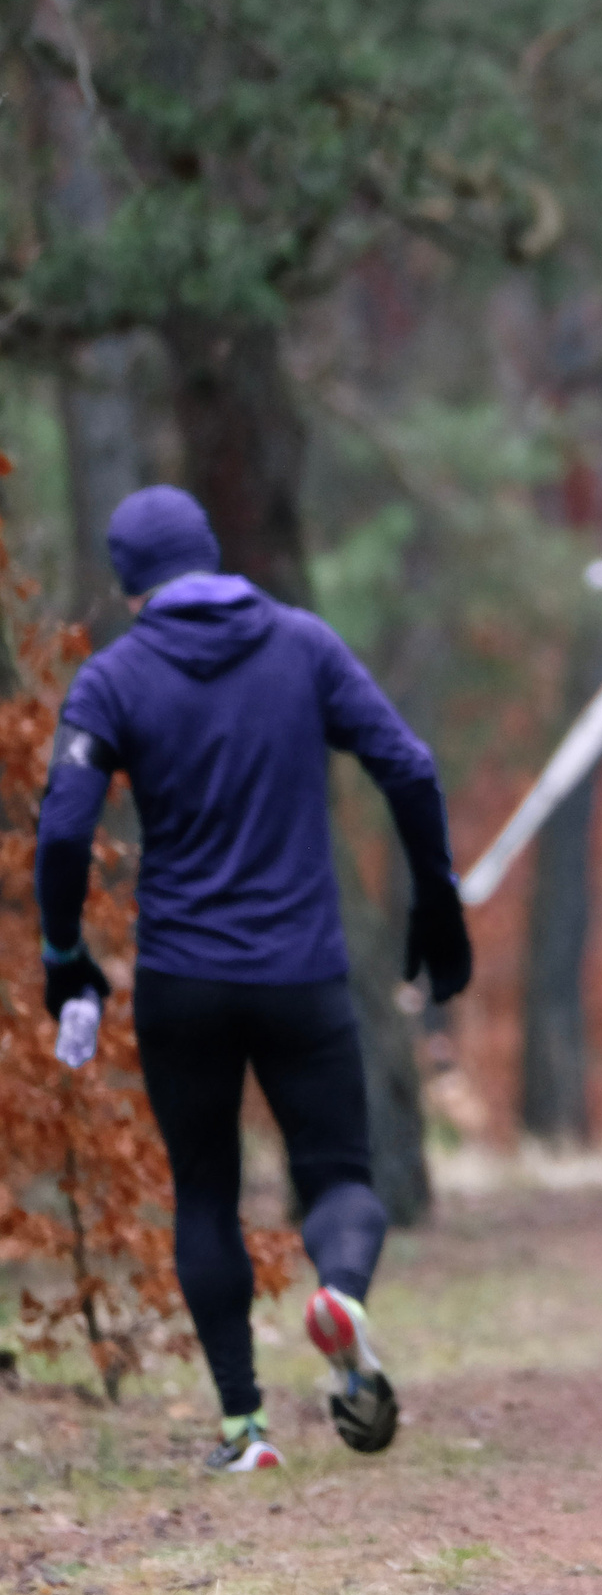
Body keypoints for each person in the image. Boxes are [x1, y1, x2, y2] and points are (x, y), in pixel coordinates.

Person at [31, 487, 473, 1473]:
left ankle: (244, 1428)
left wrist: (64, 956)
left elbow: (61, 829)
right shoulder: (303, 644)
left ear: (128, 584)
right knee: (339, 1175)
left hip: (182, 977)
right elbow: (408, 765)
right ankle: (341, 1297)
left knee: (204, 1191)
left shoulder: (114, 676)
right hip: (300, 973)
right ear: (213, 553)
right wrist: (434, 900)